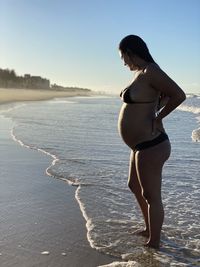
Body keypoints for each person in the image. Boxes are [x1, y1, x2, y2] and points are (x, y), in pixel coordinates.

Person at [118, 35, 186, 249]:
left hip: (152, 143)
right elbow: (163, 96)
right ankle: (150, 228)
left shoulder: (151, 71)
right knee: (134, 186)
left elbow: (178, 94)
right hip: (139, 144)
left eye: (123, 57)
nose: (123, 62)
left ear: (130, 52)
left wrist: (158, 117)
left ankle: (154, 242)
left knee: (151, 194)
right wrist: (157, 105)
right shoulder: (140, 74)